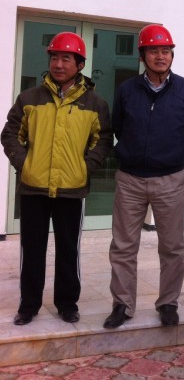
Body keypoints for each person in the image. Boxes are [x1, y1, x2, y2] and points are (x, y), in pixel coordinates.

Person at [1, 32, 113, 326]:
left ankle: (67, 303)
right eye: (54, 57)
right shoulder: (29, 99)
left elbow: (102, 140)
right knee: (32, 249)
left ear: (80, 64)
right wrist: (26, 164)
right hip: (33, 187)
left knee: (68, 250)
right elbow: (10, 134)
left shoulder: (95, 103)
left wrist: (85, 167)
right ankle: (29, 305)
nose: (58, 64)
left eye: (66, 58)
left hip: (71, 189)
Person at [103, 24, 184, 329]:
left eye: (165, 51)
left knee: (172, 246)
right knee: (123, 246)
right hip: (130, 179)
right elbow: (118, 127)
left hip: (170, 180)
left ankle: (168, 303)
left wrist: (169, 154)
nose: (160, 56)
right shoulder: (127, 90)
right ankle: (122, 304)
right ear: (142, 55)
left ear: (172, 55)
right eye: (153, 51)